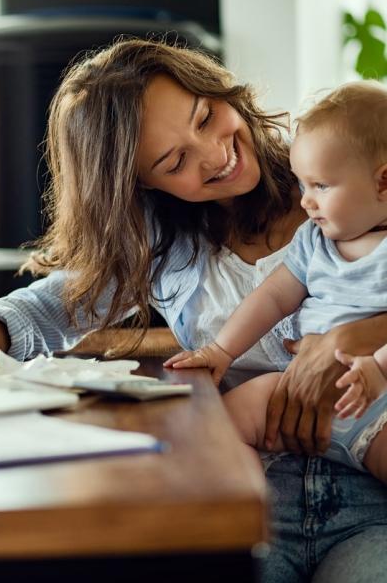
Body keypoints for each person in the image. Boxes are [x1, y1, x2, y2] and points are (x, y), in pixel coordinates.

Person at [0, 39, 387, 582]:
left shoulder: (338, 175)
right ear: (140, 182)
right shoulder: (163, 243)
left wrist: (355, 337)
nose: (215, 153)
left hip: (370, 494)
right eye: (175, 160)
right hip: (250, 496)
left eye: (206, 117)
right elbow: (53, 305)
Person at [164, 81, 387, 482]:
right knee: (219, 427)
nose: (305, 201)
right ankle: (251, 510)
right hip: (292, 393)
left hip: (377, 404)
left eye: (320, 186)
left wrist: (379, 369)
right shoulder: (313, 242)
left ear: (383, 183)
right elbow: (272, 297)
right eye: (302, 185)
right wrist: (220, 350)